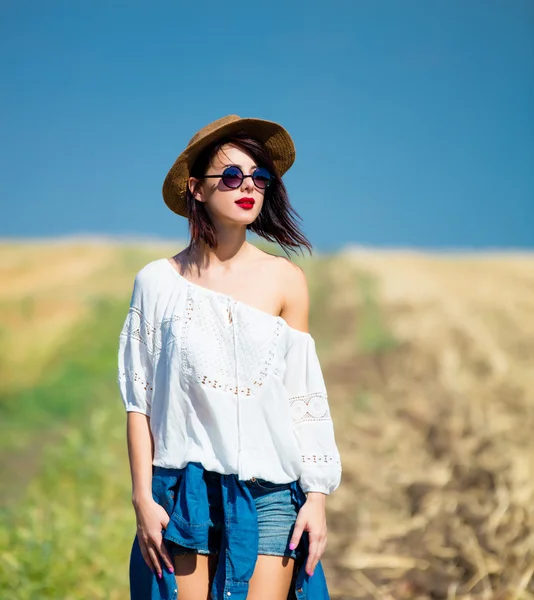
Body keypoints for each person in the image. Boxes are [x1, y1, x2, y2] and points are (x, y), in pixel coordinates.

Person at [118, 115, 342, 600]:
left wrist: (317, 497)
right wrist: (141, 497)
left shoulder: (286, 281)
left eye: (260, 178)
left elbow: (303, 396)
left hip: (271, 495)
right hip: (182, 490)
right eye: (233, 176)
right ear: (196, 189)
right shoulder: (157, 283)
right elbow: (140, 402)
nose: (249, 188)